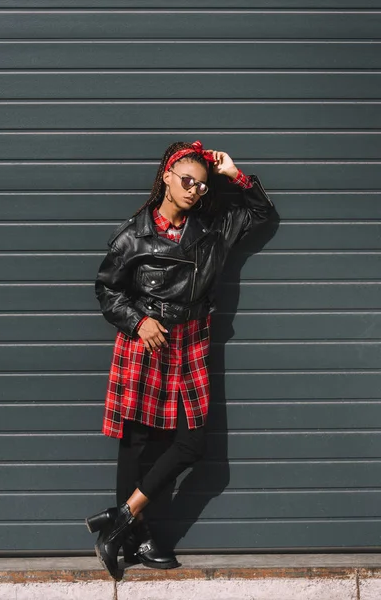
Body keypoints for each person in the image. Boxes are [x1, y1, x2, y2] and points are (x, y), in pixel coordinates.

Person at [85, 140, 275, 577]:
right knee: (135, 443)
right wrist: (136, 321)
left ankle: (120, 520)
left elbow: (261, 213)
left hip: (191, 341)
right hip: (146, 341)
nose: (193, 190)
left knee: (190, 444)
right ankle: (136, 538)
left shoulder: (213, 228)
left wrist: (233, 174)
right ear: (166, 177)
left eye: (202, 185)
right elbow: (107, 290)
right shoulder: (133, 235)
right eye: (186, 180)